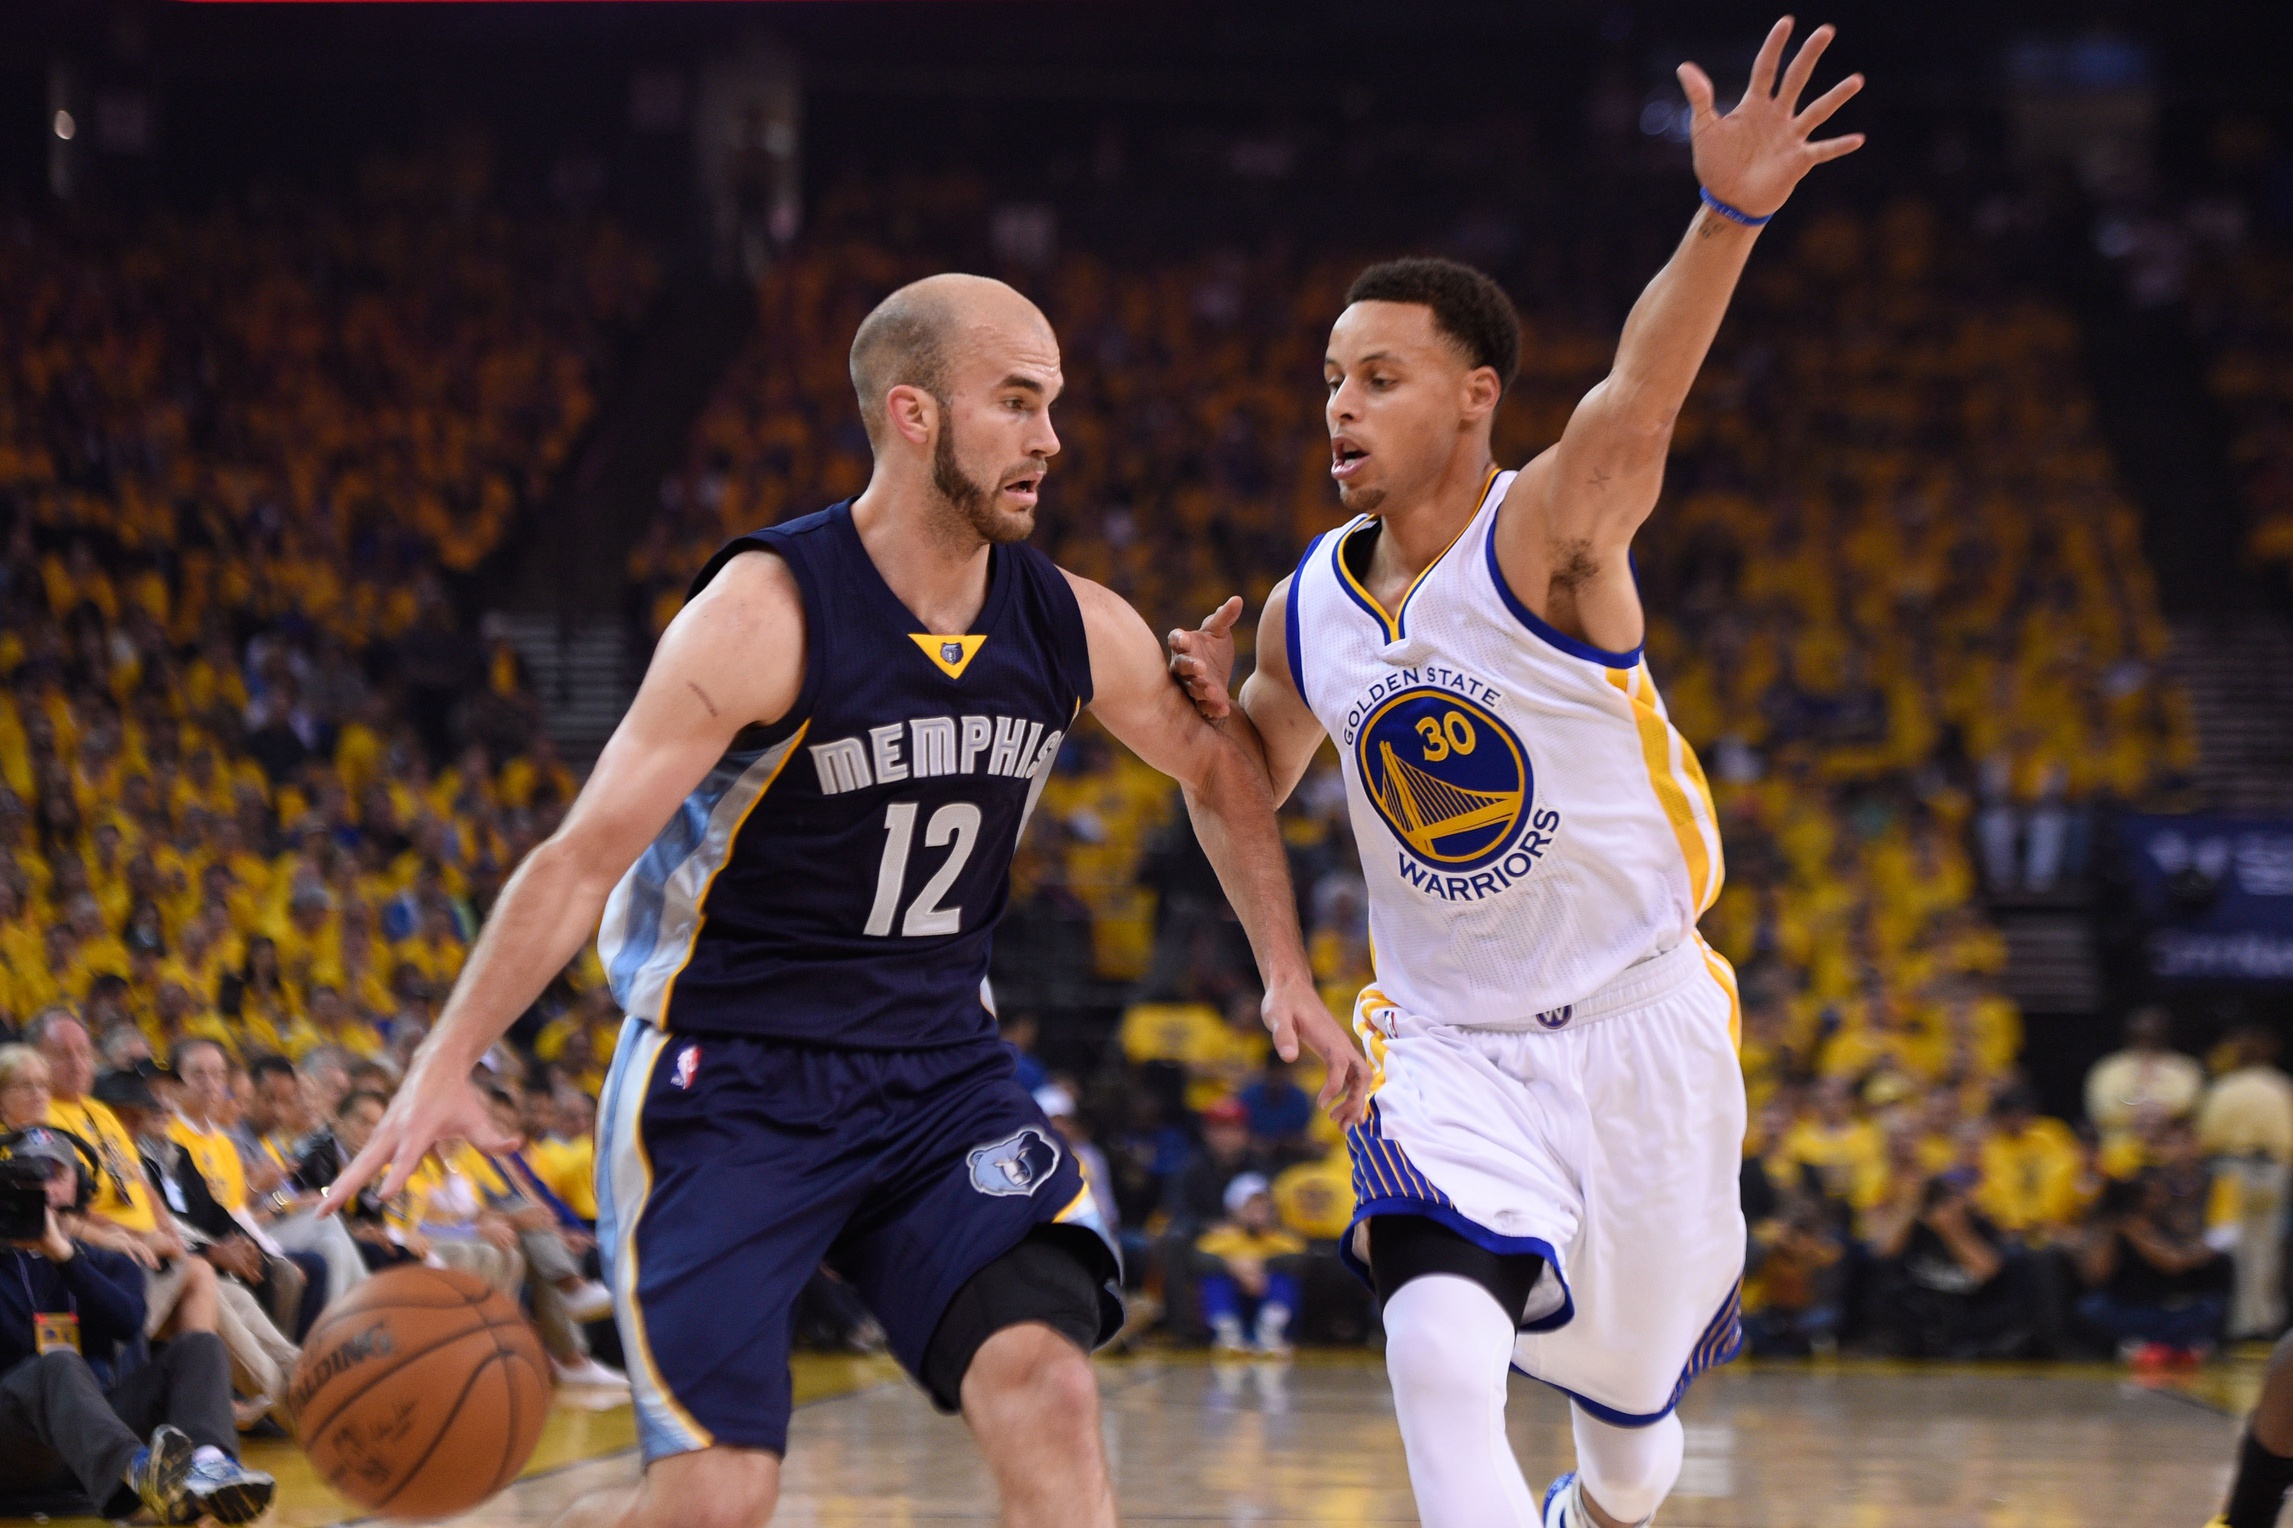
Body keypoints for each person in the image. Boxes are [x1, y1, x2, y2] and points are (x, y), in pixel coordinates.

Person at [325, 271, 1372, 1528]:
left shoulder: (1065, 618)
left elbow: (1218, 764)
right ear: (914, 414)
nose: (1052, 439)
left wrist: (1284, 966)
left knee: (1045, 1385)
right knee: (721, 1495)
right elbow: (579, 855)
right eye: (1019, 403)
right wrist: (449, 1059)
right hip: (732, 1083)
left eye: (1054, 405)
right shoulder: (764, 613)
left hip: (936, 1072)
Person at [1165, 19, 1862, 1526]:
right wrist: (1280, 954)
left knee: (1631, 1449)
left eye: (1382, 378)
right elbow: (1240, 781)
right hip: (1447, 1041)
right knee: (1431, 1330)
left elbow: (1639, 399)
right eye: (1331, 379)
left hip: (1641, 1026)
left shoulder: (1550, 533)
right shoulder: (1306, 606)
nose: (1339, 408)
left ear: (1475, 394)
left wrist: (1727, 214)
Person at [0, 1119, 274, 1523]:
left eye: (54, 1173)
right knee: (56, 1365)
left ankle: (208, 1464)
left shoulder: (107, 1260)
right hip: (17, 1442)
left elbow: (129, 1323)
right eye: (29, 1175)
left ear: (78, 1185)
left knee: (200, 1345)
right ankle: (139, 1473)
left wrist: (65, 1257)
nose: (43, 1185)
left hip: (91, 1440)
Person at [2196, 1027, 2293, 1341]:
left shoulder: (2224, 1087)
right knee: (2266, 1245)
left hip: (2231, 1170)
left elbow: (2206, 1138)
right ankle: (2264, 1321)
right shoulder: (2278, 1085)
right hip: (2270, 1172)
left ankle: (2239, 1322)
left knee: (2234, 1244)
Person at [1195, 1173, 1305, 1355]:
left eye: (1263, 1206)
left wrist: (1259, 1266)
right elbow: (1199, 1260)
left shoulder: (1282, 1239)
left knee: (1284, 1278)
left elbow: (1299, 1259)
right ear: (1234, 1209)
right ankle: (1227, 1332)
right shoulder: (1220, 1239)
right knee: (1215, 1280)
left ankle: (1271, 1331)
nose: (1258, 1211)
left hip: (1266, 1299)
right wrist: (1235, 1268)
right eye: (1251, 1206)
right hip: (1235, 1302)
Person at [2085, 1006, 2205, 1137]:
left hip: (2173, 1144)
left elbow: (2194, 1103)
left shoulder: (2185, 1067)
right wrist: (2136, 1115)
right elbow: (2102, 1109)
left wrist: (2163, 1114)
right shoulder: (2109, 1067)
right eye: (2143, 1031)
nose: (2149, 1034)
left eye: (2155, 1029)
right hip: (2119, 1145)